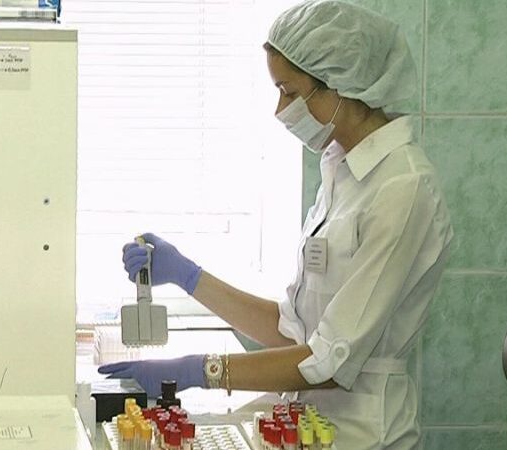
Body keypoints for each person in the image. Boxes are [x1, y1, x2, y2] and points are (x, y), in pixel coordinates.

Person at [99, 1, 453, 448]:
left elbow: (329, 361)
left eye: (289, 91)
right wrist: (189, 276)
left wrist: (200, 370)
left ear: (338, 85)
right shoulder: (341, 170)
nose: (279, 109)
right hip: (305, 423)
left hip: (362, 433)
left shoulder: (403, 187)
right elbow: (292, 331)